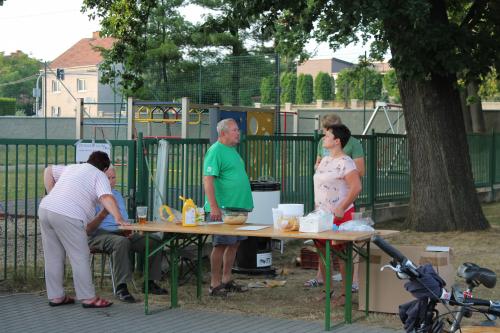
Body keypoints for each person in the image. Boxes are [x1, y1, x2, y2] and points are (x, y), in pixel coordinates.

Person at [38, 151, 125, 308]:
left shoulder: (73, 168)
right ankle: (88, 297)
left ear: (89, 160)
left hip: (46, 208)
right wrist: (119, 218)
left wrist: (52, 193)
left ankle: (56, 296)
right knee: (80, 255)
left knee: (53, 255)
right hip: (69, 214)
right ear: (105, 169)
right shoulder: (99, 175)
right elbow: (106, 197)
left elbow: (48, 170)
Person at [87, 166, 168, 303]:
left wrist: (128, 229)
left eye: (113, 178)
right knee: (121, 243)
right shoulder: (91, 197)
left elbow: (123, 219)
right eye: (108, 178)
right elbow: (88, 228)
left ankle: (150, 282)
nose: (111, 181)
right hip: (98, 235)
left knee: (154, 241)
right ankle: (121, 287)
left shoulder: (117, 195)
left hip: (120, 232)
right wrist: (102, 215)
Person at [306, 114, 365, 290]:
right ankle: (328, 290)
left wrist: (341, 206)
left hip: (340, 214)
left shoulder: (346, 162)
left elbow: (356, 187)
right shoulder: (324, 160)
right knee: (323, 254)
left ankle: (345, 294)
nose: (324, 138)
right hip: (322, 214)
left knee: (342, 255)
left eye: (328, 136)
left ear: (337, 141)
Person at [203, 118, 254, 296]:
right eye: (234, 130)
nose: (238, 133)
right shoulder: (215, 151)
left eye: (237, 130)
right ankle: (214, 284)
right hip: (223, 210)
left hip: (237, 209)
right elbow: (208, 180)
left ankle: (226, 280)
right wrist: (214, 207)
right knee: (221, 245)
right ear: (223, 133)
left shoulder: (232, 151)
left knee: (234, 245)